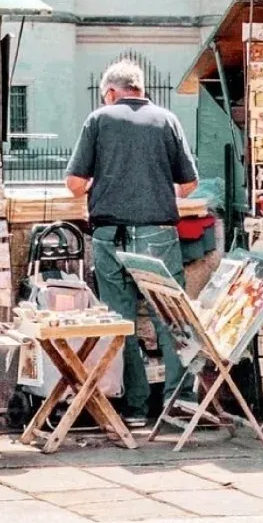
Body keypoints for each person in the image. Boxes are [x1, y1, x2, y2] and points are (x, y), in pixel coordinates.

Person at [65, 59, 199, 425]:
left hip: (111, 235)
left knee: (120, 320)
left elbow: (75, 183)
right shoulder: (167, 120)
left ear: (110, 92)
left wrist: (98, 185)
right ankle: (179, 402)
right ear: (141, 89)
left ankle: (135, 407)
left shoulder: (98, 120)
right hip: (158, 232)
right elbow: (189, 184)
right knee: (170, 317)